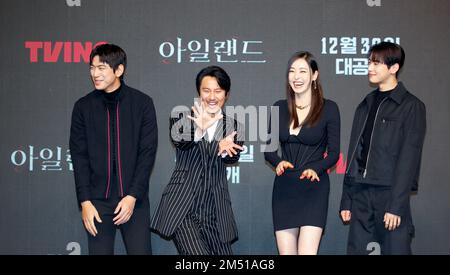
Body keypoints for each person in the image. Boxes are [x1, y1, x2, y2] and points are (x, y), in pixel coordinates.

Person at [69, 44, 157, 254]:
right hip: (97, 202)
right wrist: (85, 202)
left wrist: (132, 196)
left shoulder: (142, 103)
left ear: (119, 70)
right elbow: (79, 157)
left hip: (134, 202)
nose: (94, 74)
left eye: (101, 68)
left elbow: (147, 153)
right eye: (92, 68)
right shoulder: (83, 107)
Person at [339, 42, 426, 255]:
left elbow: (409, 158)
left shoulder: (411, 106)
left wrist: (396, 206)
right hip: (360, 192)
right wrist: (347, 199)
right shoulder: (365, 104)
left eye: (376, 63)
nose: (370, 67)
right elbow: (355, 154)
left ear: (394, 68)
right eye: (369, 62)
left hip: (389, 193)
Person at [150, 65, 244, 255]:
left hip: (215, 212)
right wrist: (200, 129)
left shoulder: (233, 126)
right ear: (198, 92)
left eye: (218, 91)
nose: (212, 96)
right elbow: (181, 142)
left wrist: (225, 150)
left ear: (226, 94)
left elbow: (234, 155)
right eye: (206, 90)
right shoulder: (181, 117)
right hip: (182, 208)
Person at [264, 51, 340, 255]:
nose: (296, 77)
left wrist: (315, 167)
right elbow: (269, 151)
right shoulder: (278, 107)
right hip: (285, 187)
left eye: (302, 71)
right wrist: (278, 162)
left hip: (314, 187)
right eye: (292, 71)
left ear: (314, 75)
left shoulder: (329, 108)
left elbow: (334, 154)